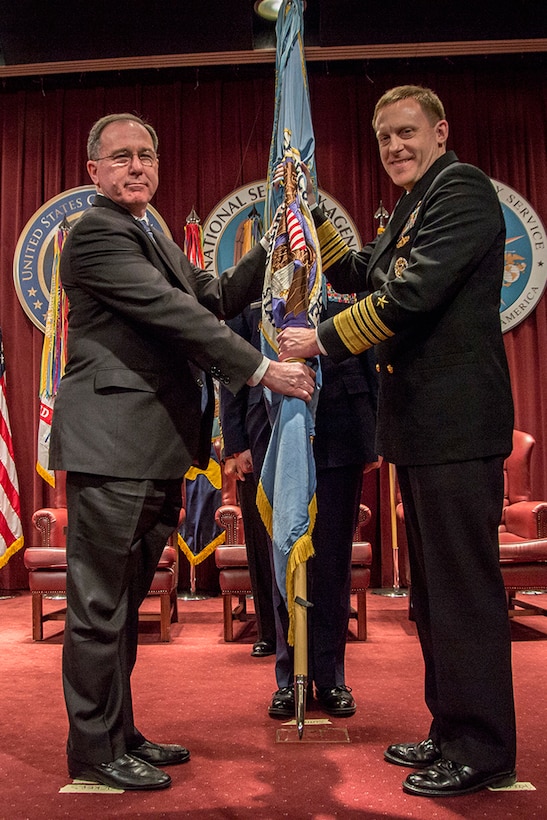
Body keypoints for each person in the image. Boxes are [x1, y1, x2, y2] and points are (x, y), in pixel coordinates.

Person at [49, 112, 315, 792]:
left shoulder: (150, 234)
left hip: (152, 449)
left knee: (122, 606)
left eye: (146, 155)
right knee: (99, 610)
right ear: (94, 173)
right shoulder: (96, 235)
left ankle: (119, 732)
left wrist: (277, 241)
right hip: (114, 448)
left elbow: (216, 296)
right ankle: (94, 753)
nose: (136, 166)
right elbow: (179, 317)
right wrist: (261, 372)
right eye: (121, 157)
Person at [278, 85, 517, 797]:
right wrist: (311, 215)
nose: (394, 148)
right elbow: (363, 274)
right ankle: (449, 729)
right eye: (383, 138)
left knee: (462, 593)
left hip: (455, 425)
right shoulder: (417, 201)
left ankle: (483, 746)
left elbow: (407, 296)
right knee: (433, 597)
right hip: (422, 428)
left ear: (440, 130)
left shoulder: (461, 190)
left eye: (406, 133)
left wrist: (318, 340)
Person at [221, 297, 379, 718]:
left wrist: (372, 434)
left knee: (331, 563)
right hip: (270, 432)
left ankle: (329, 678)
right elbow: (232, 365)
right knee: (282, 560)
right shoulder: (256, 282)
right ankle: (289, 677)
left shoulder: (342, 285)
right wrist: (234, 441)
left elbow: (367, 350)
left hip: (340, 425)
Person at [221, 303, 277, 658]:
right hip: (257, 430)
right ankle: (269, 630)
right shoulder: (249, 299)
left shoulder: (327, 277)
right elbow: (232, 369)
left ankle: (315, 633)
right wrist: (237, 443)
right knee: (261, 539)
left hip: (324, 430)